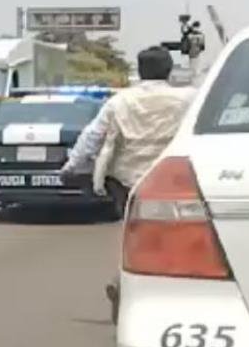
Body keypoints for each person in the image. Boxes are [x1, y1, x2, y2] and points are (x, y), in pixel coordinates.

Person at [61, 46, 195, 218]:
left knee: (133, 229)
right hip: (170, 175)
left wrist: (71, 167)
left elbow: (92, 137)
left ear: (140, 71)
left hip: (127, 182)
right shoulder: (188, 99)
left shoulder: (119, 102)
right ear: (169, 70)